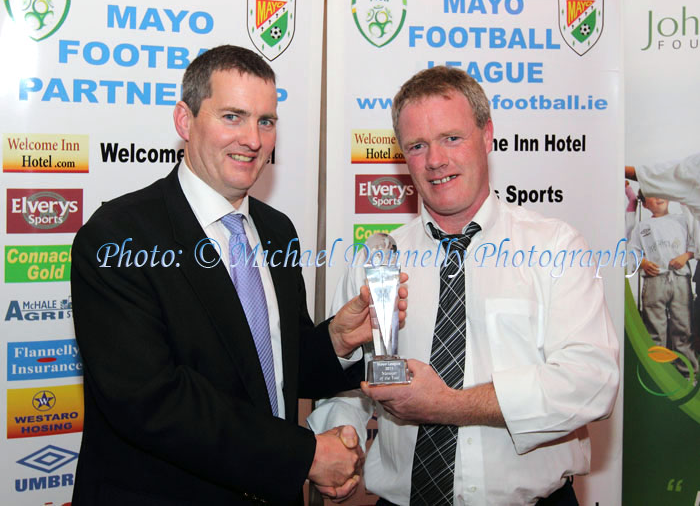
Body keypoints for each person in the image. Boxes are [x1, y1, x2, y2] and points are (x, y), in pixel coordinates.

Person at [70, 45, 406, 505]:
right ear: (184, 121)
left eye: (266, 121)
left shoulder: (275, 229)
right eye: (233, 116)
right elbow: (153, 402)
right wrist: (304, 456)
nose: (253, 138)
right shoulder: (118, 236)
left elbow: (271, 371)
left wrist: (337, 340)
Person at [308, 66, 619, 505]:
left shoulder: (555, 247)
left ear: (487, 135)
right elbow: (348, 387)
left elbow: (591, 383)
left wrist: (449, 404)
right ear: (403, 156)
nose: (436, 160)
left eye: (452, 138)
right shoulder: (376, 260)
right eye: (418, 146)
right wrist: (342, 440)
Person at [628, 193, 698, 376]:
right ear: (644, 204)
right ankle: (657, 374)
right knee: (654, 330)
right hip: (654, 282)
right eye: (651, 196)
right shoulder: (642, 227)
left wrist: (685, 256)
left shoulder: (682, 220)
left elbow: (694, 244)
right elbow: (632, 251)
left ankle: (687, 374)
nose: (658, 198)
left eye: (661, 194)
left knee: (683, 329)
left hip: (680, 280)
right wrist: (642, 262)